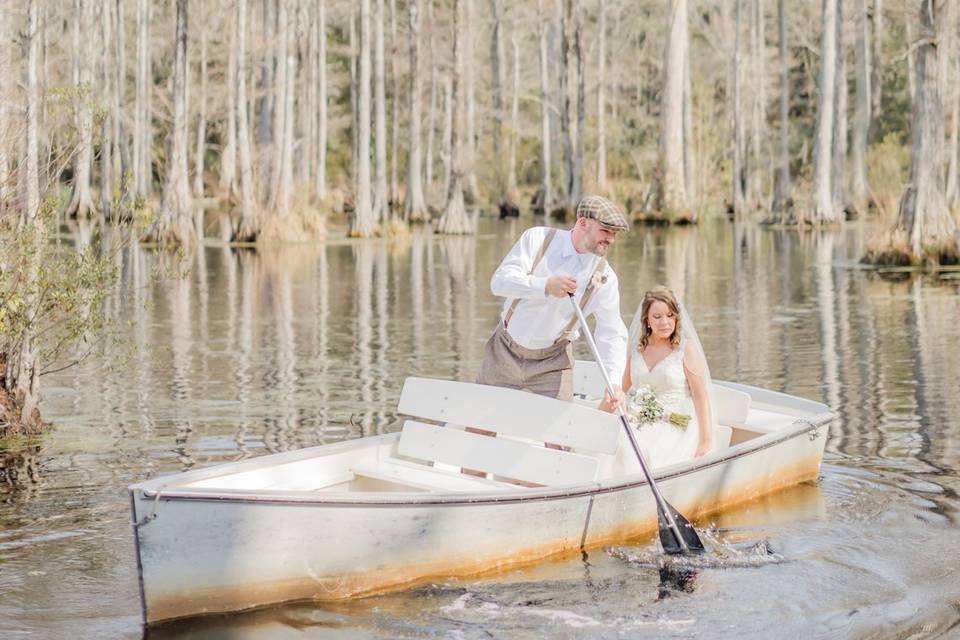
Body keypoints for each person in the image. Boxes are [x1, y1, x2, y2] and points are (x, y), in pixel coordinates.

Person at [477, 195, 630, 411]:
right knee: (480, 423)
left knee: (559, 440)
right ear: (583, 222)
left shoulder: (605, 277)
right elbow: (499, 283)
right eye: (605, 231)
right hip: (505, 349)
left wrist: (614, 381)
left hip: (554, 361)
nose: (611, 239)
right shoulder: (537, 239)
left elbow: (611, 333)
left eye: (614, 234)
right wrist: (544, 287)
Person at [604, 285, 714, 471]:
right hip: (639, 418)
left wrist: (706, 440)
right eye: (657, 317)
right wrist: (600, 414)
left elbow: (700, 395)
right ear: (647, 320)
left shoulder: (685, 349)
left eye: (670, 315)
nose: (665, 322)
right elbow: (619, 390)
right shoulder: (637, 351)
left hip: (676, 422)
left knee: (639, 449)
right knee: (616, 440)